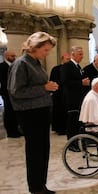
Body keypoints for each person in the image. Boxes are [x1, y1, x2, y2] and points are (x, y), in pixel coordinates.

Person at [7, 31, 58, 194]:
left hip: (41, 111)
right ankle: (35, 188)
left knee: (43, 151)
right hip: (30, 114)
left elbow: (36, 86)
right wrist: (43, 88)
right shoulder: (21, 63)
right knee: (35, 152)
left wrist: (48, 87)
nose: (47, 53)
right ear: (35, 47)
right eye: (45, 50)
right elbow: (16, 92)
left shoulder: (35, 62)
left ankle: (41, 185)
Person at [60, 46, 90, 140]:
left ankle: (77, 140)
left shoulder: (78, 66)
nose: (82, 56)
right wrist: (81, 82)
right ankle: (72, 142)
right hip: (71, 98)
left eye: (82, 54)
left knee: (77, 120)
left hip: (78, 98)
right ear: (73, 54)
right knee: (72, 121)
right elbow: (65, 82)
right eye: (80, 54)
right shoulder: (67, 65)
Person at [0, 50, 22, 138]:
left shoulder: (15, 65)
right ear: (6, 56)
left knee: (15, 111)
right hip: (6, 92)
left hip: (15, 92)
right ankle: (10, 131)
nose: (14, 57)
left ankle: (16, 129)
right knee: (9, 112)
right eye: (12, 56)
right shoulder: (1, 66)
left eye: (14, 56)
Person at [49, 53, 70, 135]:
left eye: (69, 59)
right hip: (58, 94)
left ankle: (66, 128)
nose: (68, 61)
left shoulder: (69, 68)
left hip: (67, 94)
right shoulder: (55, 69)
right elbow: (52, 80)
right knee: (59, 111)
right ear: (62, 59)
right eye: (67, 59)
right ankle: (59, 128)